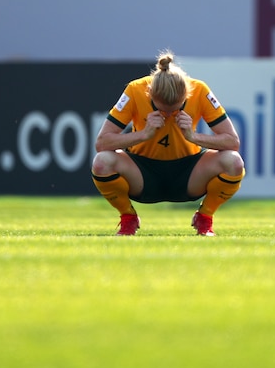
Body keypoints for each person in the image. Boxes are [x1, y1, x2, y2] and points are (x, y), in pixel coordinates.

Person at [91, 50, 245, 236]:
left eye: (176, 109)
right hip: (142, 172)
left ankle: (205, 217)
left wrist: (193, 136)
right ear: (150, 94)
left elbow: (232, 141)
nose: (170, 115)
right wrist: (144, 134)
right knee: (102, 162)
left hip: (188, 173)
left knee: (234, 161)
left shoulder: (199, 90)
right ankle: (128, 218)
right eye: (163, 110)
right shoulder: (135, 89)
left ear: (186, 95)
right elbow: (102, 142)